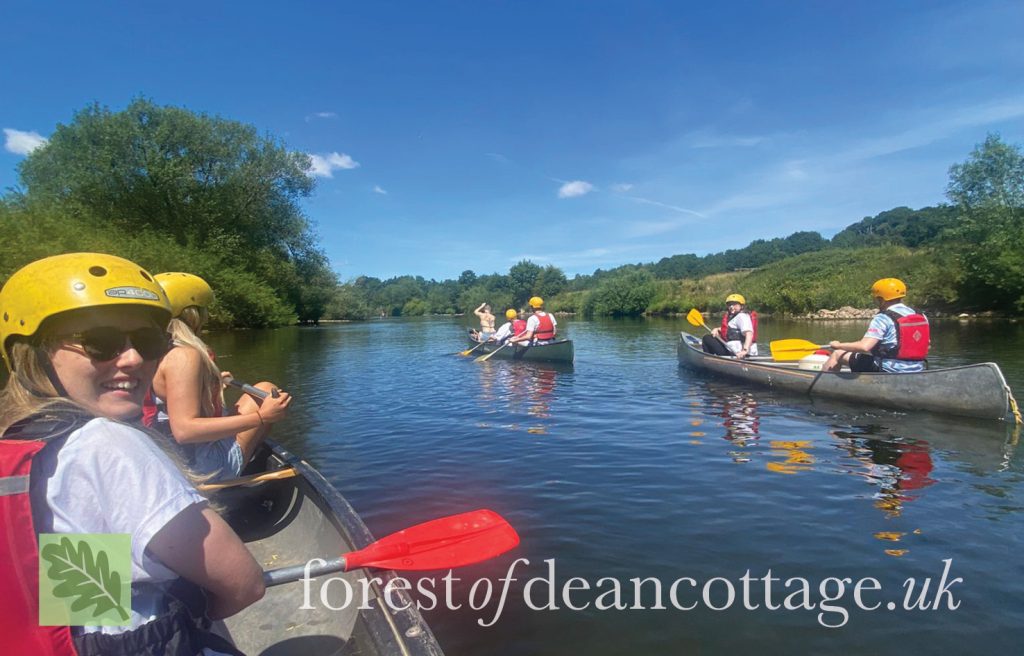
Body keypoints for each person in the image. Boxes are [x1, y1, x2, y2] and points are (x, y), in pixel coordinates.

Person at [0, 253, 263, 654]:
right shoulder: (107, 444)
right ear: (32, 353)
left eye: (148, 341)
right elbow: (244, 585)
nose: (135, 359)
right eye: (99, 343)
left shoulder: (22, 440)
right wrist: (188, 613)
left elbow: (85, 597)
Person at [147, 272, 291, 481]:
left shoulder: (148, 350)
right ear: (193, 313)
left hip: (166, 457)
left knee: (261, 391)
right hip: (198, 469)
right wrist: (262, 417)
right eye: (204, 309)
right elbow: (184, 431)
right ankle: (233, 477)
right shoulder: (185, 355)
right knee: (266, 391)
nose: (208, 316)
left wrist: (209, 383)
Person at [822, 278, 929, 373]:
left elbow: (864, 347)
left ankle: (823, 385)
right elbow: (927, 344)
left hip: (886, 370)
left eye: (876, 299)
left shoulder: (883, 317)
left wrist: (838, 345)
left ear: (881, 299)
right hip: (917, 369)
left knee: (837, 354)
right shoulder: (920, 315)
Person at [701, 294, 758, 359]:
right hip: (734, 352)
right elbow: (732, 329)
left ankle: (709, 361)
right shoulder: (736, 316)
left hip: (738, 354)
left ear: (742, 306)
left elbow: (749, 333)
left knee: (707, 338)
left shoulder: (741, 316)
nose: (731, 307)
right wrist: (717, 329)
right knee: (713, 338)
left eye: (735, 304)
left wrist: (744, 350)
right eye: (729, 304)